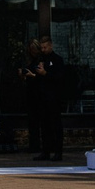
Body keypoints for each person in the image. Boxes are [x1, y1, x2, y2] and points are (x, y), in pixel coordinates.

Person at [21, 34, 65, 162]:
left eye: (45, 47)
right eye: (42, 48)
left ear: (50, 46)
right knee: (44, 125)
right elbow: (36, 76)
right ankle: (45, 151)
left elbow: (59, 78)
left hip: (54, 97)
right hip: (42, 97)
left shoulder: (57, 60)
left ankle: (58, 152)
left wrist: (45, 73)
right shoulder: (41, 60)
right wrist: (31, 75)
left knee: (56, 125)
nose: (43, 50)